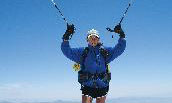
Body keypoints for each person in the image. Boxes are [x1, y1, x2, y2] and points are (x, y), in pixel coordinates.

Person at [61, 24, 126, 103]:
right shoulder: (83, 52)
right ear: (87, 40)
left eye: (95, 38)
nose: (93, 40)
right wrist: (66, 37)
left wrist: (122, 36)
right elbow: (67, 52)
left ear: (99, 39)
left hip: (102, 85)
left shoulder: (105, 52)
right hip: (87, 85)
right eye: (91, 38)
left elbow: (119, 49)